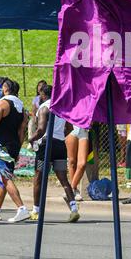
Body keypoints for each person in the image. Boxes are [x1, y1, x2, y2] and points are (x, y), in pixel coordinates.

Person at [28, 84, 79, 222]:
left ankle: (36, 210)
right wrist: (60, 135)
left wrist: (30, 139)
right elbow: (70, 127)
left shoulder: (44, 107)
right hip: (60, 145)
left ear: (43, 95)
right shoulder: (61, 108)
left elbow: (41, 130)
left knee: (38, 178)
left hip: (46, 146)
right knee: (63, 178)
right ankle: (74, 209)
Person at [0, 79, 29, 223]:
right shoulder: (21, 108)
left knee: (5, 177)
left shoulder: (2, 103)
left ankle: (22, 208)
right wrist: (17, 149)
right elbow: (22, 130)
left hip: (1, 145)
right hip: (14, 145)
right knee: (3, 177)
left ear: (5, 88)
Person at [65, 125, 90, 201]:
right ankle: (74, 190)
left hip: (84, 131)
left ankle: (71, 189)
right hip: (72, 130)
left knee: (82, 164)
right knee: (72, 162)